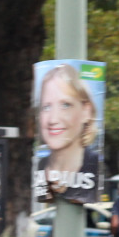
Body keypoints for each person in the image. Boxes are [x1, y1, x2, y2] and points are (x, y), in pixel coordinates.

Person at [34, 64, 99, 203]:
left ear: (86, 111)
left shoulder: (95, 166)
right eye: (46, 107)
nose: (53, 119)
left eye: (65, 105)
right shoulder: (40, 166)